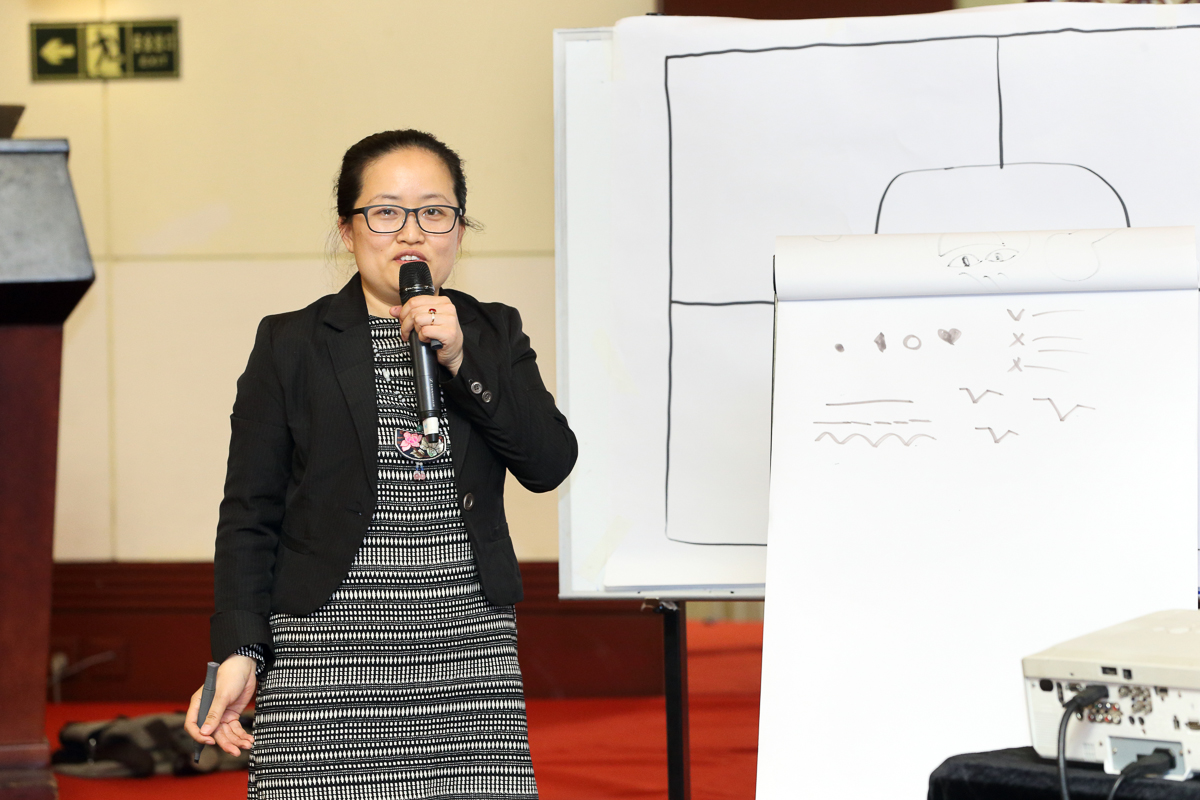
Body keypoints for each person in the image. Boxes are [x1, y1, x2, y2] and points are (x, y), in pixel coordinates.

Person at [184, 129, 577, 800]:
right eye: (387, 212)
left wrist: (460, 360)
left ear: (459, 229)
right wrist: (240, 649)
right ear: (348, 229)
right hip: (324, 655)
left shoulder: (493, 332)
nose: (412, 233)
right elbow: (249, 513)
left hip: (466, 653)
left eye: (435, 212)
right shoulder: (290, 342)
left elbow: (549, 462)